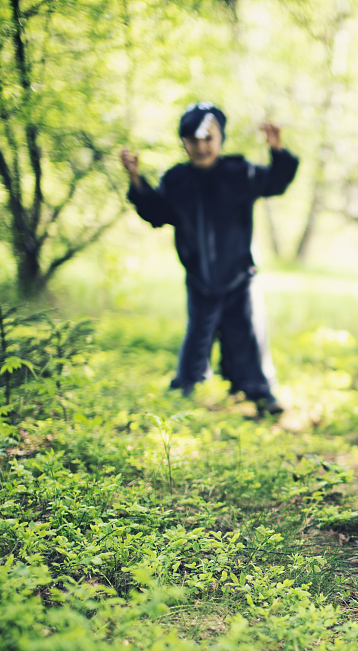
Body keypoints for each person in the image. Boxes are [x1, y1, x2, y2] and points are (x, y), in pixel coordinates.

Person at [119, 102, 298, 416]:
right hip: (200, 277)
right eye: (193, 140)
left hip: (240, 275)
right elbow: (156, 213)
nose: (201, 146)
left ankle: (259, 393)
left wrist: (277, 149)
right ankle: (183, 393)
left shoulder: (238, 172)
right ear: (184, 143)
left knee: (245, 335)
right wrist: (136, 178)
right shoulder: (177, 181)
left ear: (220, 139)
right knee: (198, 335)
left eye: (208, 138)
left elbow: (276, 182)